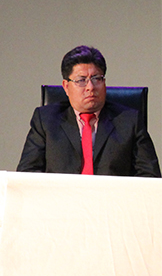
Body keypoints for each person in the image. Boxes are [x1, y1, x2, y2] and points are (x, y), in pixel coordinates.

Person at [17, 45, 159, 177]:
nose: (90, 87)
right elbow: (27, 175)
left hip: (112, 201)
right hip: (60, 201)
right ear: (66, 86)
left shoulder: (129, 121)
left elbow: (150, 177)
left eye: (97, 79)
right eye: (81, 80)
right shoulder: (45, 120)